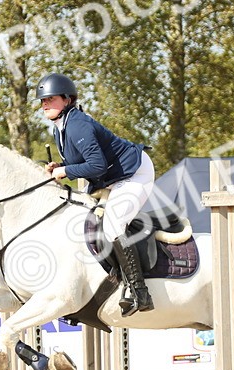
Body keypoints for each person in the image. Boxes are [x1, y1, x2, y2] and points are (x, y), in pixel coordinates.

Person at [37, 72, 156, 315]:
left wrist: (66, 171)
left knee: (113, 224)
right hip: (112, 178)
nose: (45, 103)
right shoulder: (60, 127)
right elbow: (78, 159)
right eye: (43, 100)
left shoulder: (78, 123)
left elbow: (97, 165)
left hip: (135, 173)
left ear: (67, 99)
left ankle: (139, 293)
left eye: (51, 98)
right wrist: (61, 166)